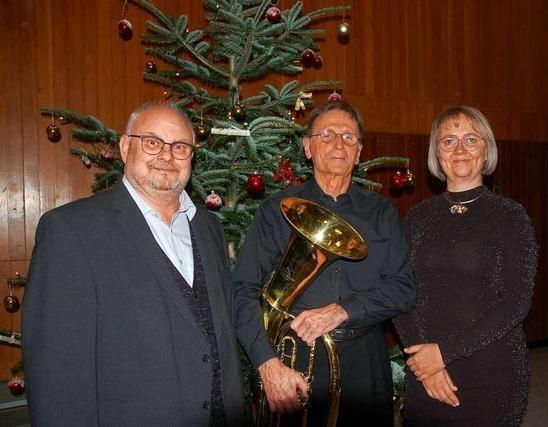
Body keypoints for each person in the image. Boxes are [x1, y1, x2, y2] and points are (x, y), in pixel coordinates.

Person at [22, 103, 245, 426]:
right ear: (126, 147)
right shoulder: (71, 231)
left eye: (180, 147)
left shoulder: (209, 228)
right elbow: (57, 374)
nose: (167, 156)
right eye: (152, 143)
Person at [233, 101, 415, 426]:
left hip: (365, 361)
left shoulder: (381, 212)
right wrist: (266, 363)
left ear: (359, 152)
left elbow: (403, 289)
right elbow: (242, 290)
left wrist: (343, 310)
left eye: (348, 137)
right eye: (327, 134)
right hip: (294, 359)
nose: (338, 144)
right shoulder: (278, 209)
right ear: (308, 147)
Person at [393, 106, 538, 426]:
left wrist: (442, 354)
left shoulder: (511, 216)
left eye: (471, 139)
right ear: (436, 154)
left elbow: (516, 302)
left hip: (491, 374)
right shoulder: (417, 217)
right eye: (448, 141)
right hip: (424, 373)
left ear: (486, 150)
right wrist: (423, 362)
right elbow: (400, 290)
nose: (460, 149)